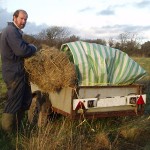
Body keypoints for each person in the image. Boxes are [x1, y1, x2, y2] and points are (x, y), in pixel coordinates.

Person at [0, 9, 37, 132]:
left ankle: (17, 127)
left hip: (18, 71)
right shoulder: (11, 31)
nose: (24, 21)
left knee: (25, 98)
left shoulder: (15, 31)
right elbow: (22, 51)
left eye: (25, 19)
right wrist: (32, 48)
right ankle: (7, 131)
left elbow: (22, 45)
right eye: (21, 18)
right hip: (13, 72)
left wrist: (28, 46)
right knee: (14, 101)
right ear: (14, 17)